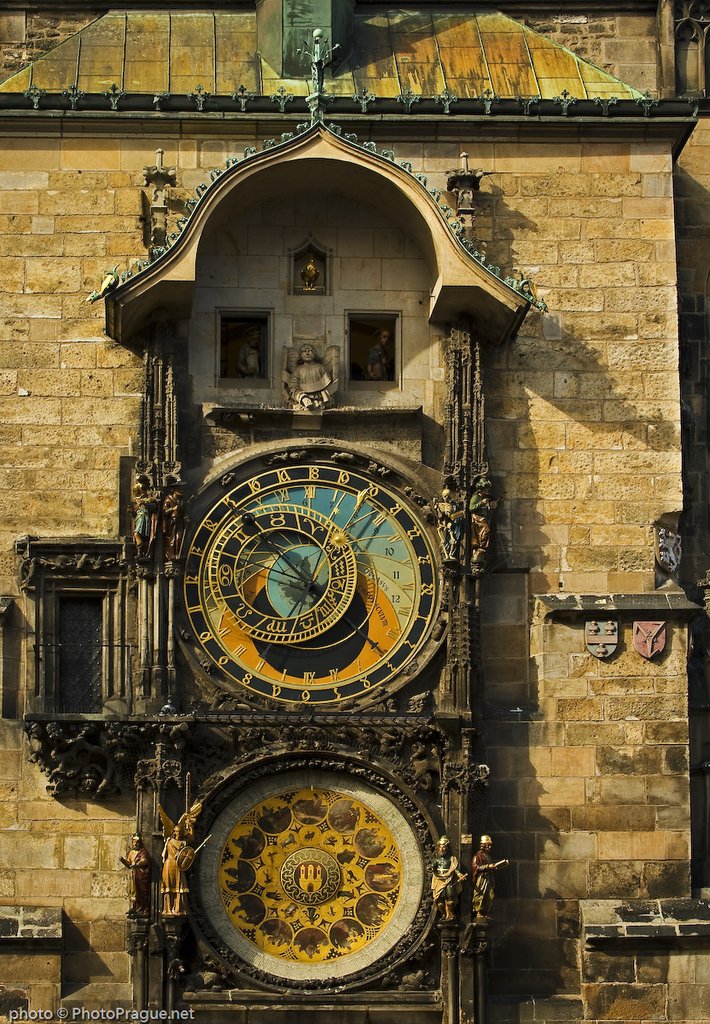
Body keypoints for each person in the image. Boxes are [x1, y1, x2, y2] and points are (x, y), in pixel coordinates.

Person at [471, 835, 508, 919]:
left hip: (489, 878)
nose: (489, 847)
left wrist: (495, 866)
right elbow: (475, 866)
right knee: (480, 894)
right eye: (488, 845)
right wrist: (487, 866)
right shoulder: (477, 856)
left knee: (490, 895)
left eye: (490, 845)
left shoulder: (488, 856)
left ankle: (485, 911)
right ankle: (478, 912)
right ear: (483, 845)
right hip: (482, 879)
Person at [431, 835, 466, 921]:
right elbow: (433, 869)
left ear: (447, 848)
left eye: (444, 847)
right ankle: (443, 914)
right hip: (439, 880)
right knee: (439, 901)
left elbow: (454, 869)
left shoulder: (451, 859)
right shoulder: (437, 860)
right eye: (440, 847)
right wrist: (436, 873)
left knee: (450, 897)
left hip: (448, 879)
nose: (442, 849)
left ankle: (450, 914)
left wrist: (459, 874)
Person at [288, 344, 333, 409]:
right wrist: (302, 397)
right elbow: (293, 386)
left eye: (309, 351)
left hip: (319, 397)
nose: (307, 353)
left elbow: (328, 383)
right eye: (304, 351)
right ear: (300, 355)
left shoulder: (320, 368)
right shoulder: (297, 370)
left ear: (314, 353)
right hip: (302, 396)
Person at [161, 825, 190, 916]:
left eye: (179, 832)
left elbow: (188, 855)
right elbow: (164, 854)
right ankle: (168, 909)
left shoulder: (183, 843)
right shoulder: (169, 841)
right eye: (176, 831)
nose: (178, 834)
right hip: (169, 865)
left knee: (180, 886)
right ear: (173, 832)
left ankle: (178, 908)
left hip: (179, 866)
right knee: (168, 886)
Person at [120, 833, 151, 917]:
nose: (136, 844)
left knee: (142, 892)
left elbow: (144, 860)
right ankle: (135, 908)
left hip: (141, 876)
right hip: (134, 875)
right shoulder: (131, 853)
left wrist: (138, 864)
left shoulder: (143, 852)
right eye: (134, 842)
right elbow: (129, 864)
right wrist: (123, 861)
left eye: (137, 842)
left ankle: (143, 909)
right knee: (133, 892)